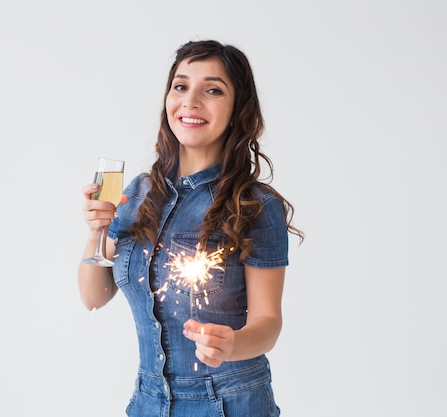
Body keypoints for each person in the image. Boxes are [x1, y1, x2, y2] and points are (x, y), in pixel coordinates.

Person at [78, 39, 303, 417]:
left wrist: (232, 344)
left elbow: (269, 323)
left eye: (212, 90)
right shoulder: (137, 191)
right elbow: (94, 298)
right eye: (181, 86)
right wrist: (93, 232)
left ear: (237, 110)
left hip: (229, 402)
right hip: (148, 400)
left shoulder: (256, 206)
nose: (191, 101)